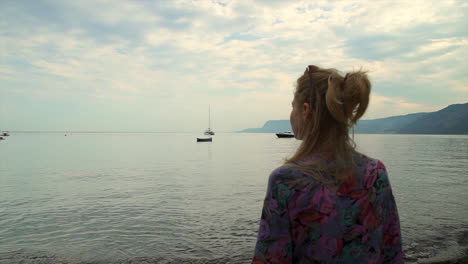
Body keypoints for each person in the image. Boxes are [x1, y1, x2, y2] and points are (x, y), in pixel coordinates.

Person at [252, 65, 403, 263]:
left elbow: (271, 258)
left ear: (305, 110)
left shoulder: (285, 181)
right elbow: (392, 251)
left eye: (292, 106)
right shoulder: (375, 173)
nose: (291, 114)